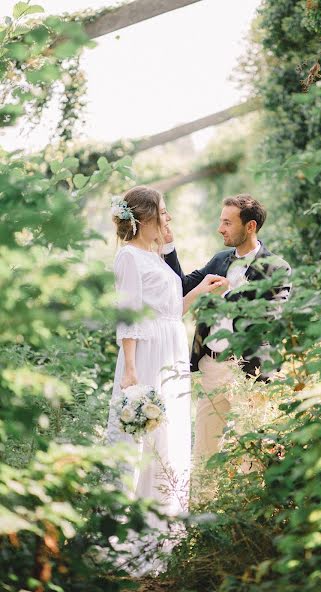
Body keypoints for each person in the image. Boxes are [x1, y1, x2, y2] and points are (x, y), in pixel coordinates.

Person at [106, 185, 225, 571]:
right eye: (164, 211)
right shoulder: (128, 258)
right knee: (143, 441)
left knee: (169, 436)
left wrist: (201, 290)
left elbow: (172, 311)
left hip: (170, 348)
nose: (169, 217)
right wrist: (130, 370)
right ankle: (126, 536)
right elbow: (128, 316)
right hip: (147, 355)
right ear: (145, 217)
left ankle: (164, 532)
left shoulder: (155, 257)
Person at [164, 193, 291, 463]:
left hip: (251, 372)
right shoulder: (220, 260)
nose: (220, 228)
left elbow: (270, 318)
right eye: (221, 222)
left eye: (227, 223)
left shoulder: (277, 268)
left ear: (250, 226)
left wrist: (227, 295)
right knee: (204, 452)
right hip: (211, 368)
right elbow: (183, 286)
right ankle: (201, 505)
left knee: (255, 453)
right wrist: (168, 247)